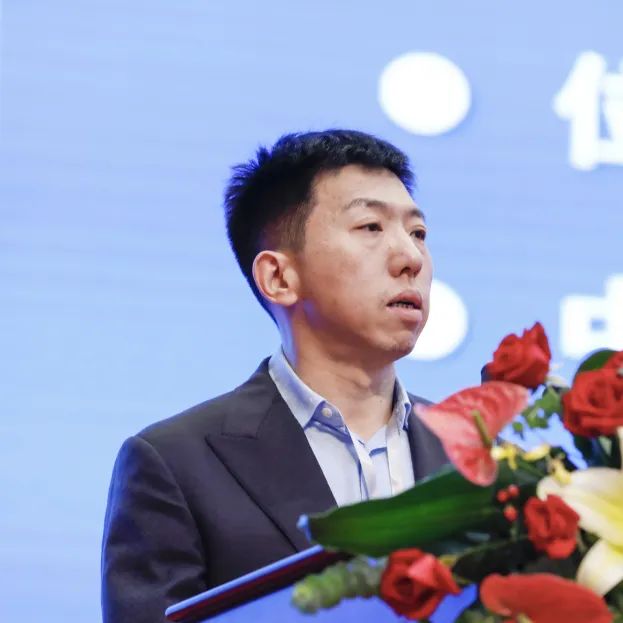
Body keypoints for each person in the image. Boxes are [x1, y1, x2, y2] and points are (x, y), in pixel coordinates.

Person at [101, 129, 447, 623]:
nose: (411, 258)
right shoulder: (176, 465)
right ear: (278, 277)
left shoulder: (480, 456)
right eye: (371, 227)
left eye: (418, 233)